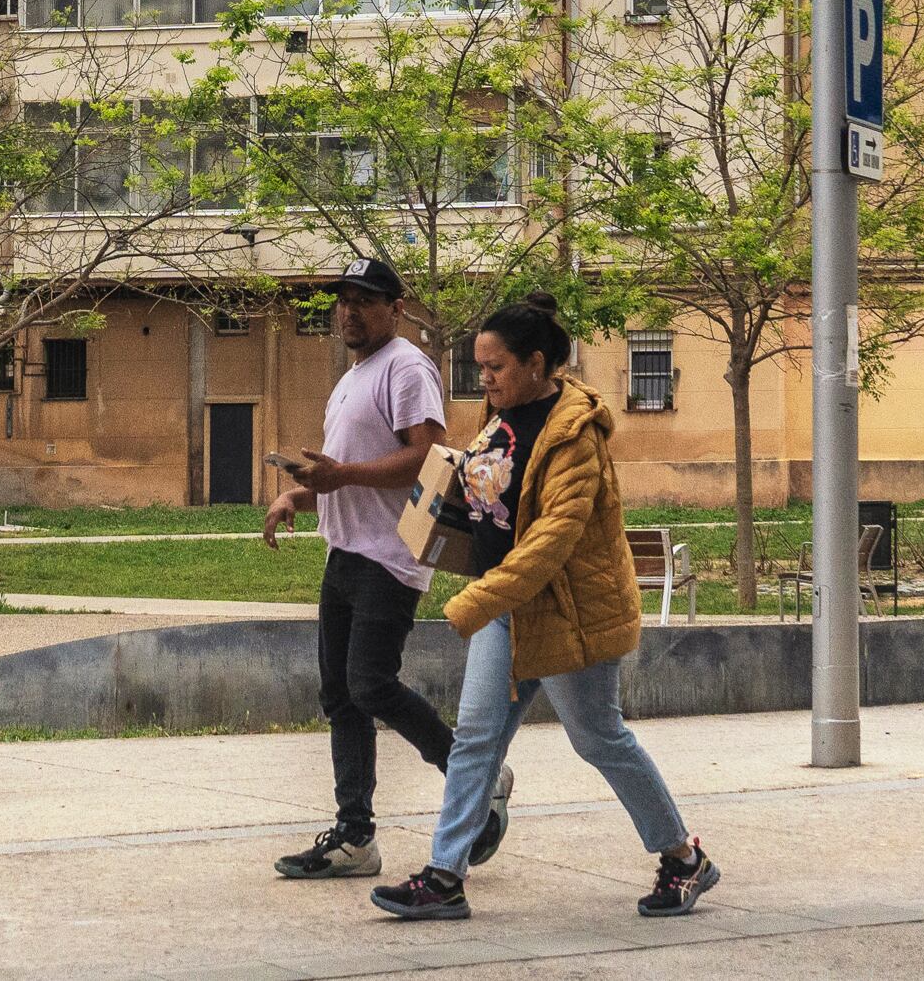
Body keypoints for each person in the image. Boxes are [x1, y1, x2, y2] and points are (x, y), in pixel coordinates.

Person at [370, 298, 717, 924]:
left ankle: (684, 858)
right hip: (508, 605)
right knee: (476, 738)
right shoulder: (499, 414)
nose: (485, 380)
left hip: (565, 610)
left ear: (537, 363)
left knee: (598, 738)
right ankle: (445, 876)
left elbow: (552, 538)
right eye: (479, 368)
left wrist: (476, 599)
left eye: (496, 367)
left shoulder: (575, 435)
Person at [260, 257, 456, 879]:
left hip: (391, 557)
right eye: (342, 300)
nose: (348, 311)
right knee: (341, 697)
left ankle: (471, 768)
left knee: (370, 684)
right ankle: (355, 838)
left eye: (364, 300)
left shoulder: (406, 367)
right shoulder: (351, 377)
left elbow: (426, 460)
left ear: (396, 308)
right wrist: (302, 494)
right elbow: (349, 474)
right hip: (345, 553)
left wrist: (339, 474)